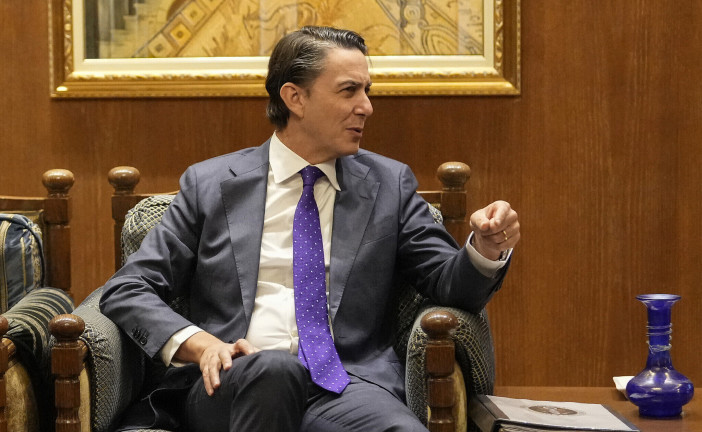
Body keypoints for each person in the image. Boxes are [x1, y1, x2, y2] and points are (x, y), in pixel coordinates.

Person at [100, 25, 520, 432]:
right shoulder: (211, 185)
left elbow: (449, 285)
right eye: (349, 90)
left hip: (344, 384)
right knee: (274, 370)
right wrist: (203, 345)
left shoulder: (388, 186)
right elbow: (128, 288)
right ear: (295, 98)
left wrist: (485, 248)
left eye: (367, 90)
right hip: (232, 382)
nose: (366, 107)